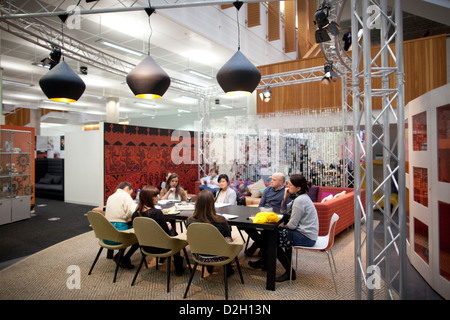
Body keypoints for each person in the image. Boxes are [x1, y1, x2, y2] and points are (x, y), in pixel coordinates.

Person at [249, 174, 319, 282]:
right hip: (305, 232)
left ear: (298, 188)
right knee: (270, 235)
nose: (287, 186)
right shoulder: (299, 197)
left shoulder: (300, 200)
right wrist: (285, 198)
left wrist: (279, 229)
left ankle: (290, 272)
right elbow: (283, 211)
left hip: (306, 236)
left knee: (273, 239)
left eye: (290, 185)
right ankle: (265, 262)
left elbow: (292, 225)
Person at [131, 186, 185, 276]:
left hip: (145, 246)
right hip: (162, 247)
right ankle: (178, 266)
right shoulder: (156, 213)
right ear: (149, 198)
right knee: (174, 234)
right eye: (155, 196)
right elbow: (167, 234)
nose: (158, 198)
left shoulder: (135, 214)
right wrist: (168, 227)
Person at [187, 190, 235, 277]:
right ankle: (228, 268)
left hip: (199, 254)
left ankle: (209, 265)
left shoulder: (190, 221)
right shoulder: (221, 220)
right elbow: (228, 237)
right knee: (229, 238)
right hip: (220, 254)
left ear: (197, 204)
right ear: (212, 204)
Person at [245, 173, 292, 257]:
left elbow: (286, 209)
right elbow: (261, 206)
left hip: (276, 218)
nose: (271, 181)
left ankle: (257, 248)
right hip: (264, 215)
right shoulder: (267, 190)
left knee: (267, 231)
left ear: (281, 182)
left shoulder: (286, 192)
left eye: (274, 180)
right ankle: (262, 246)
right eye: (271, 179)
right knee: (246, 225)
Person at [104, 181, 139, 269]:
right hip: (118, 236)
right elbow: (133, 211)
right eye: (131, 193)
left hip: (106, 235)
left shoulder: (111, 197)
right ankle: (124, 258)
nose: (130, 195)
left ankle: (119, 256)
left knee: (129, 228)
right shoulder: (125, 196)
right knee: (141, 235)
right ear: (128, 188)